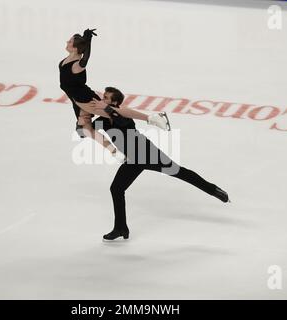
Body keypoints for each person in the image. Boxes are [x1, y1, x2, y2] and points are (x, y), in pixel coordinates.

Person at [90, 87, 230, 241]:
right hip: (133, 160)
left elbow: (119, 119)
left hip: (147, 153)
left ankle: (213, 189)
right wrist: (82, 118)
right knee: (116, 188)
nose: (102, 100)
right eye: (103, 97)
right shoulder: (102, 120)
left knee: (179, 172)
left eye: (106, 98)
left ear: (115, 102)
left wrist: (104, 110)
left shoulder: (123, 114)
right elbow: (86, 130)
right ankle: (121, 228)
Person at [59, 28, 170, 157]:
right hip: (76, 100)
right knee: (85, 130)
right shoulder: (66, 60)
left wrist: (88, 40)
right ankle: (116, 152)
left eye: (70, 41)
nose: (67, 41)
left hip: (85, 99)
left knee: (113, 111)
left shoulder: (77, 65)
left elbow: (85, 58)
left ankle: (152, 118)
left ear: (75, 48)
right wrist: (85, 39)